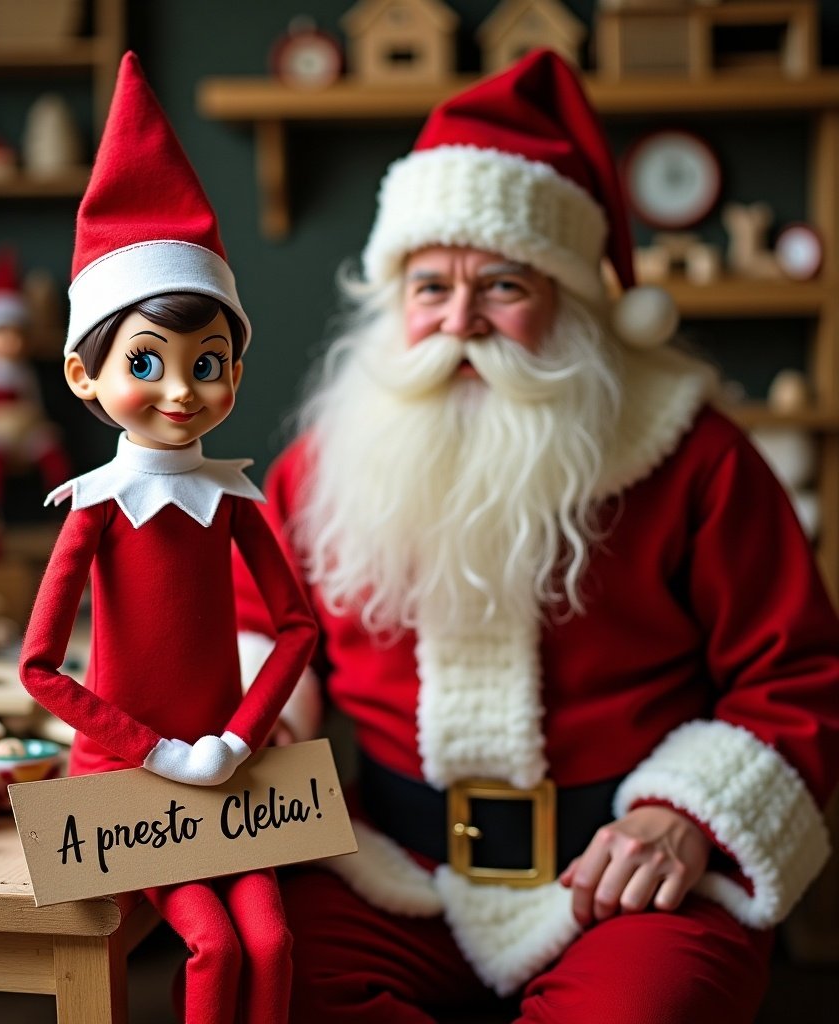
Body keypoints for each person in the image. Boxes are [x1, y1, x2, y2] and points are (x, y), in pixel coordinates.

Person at [232, 50, 839, 1023]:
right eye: (429, 285)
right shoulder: (325, 462)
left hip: (624, 878)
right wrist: (261, 722)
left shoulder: (694, 457)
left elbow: (799, 675)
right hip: (384, 864)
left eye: (504, 284)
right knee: (266, 983)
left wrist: (682, 818)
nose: (459, 321)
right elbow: (263, 631)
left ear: (571, 300)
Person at [18, 53, 317, 1024]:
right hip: (129, 780)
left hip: (232, 767)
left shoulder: (233, 501)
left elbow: (298, 627)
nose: (183, 390)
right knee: (214, 940)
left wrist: (237, 735)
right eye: (147, 361)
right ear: (82, 373)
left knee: (272, 938)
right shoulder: (95, 509)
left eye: (209, 361)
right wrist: (156, 751)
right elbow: (40, 670)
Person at [0, 245, 72, 510]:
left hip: (22, 428)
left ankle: (61, 497)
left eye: (18, 333)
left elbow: (33, 402)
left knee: (48, 445)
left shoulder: (24, 370)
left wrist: (34, 421)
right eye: (1, 333)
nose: (11, 341)